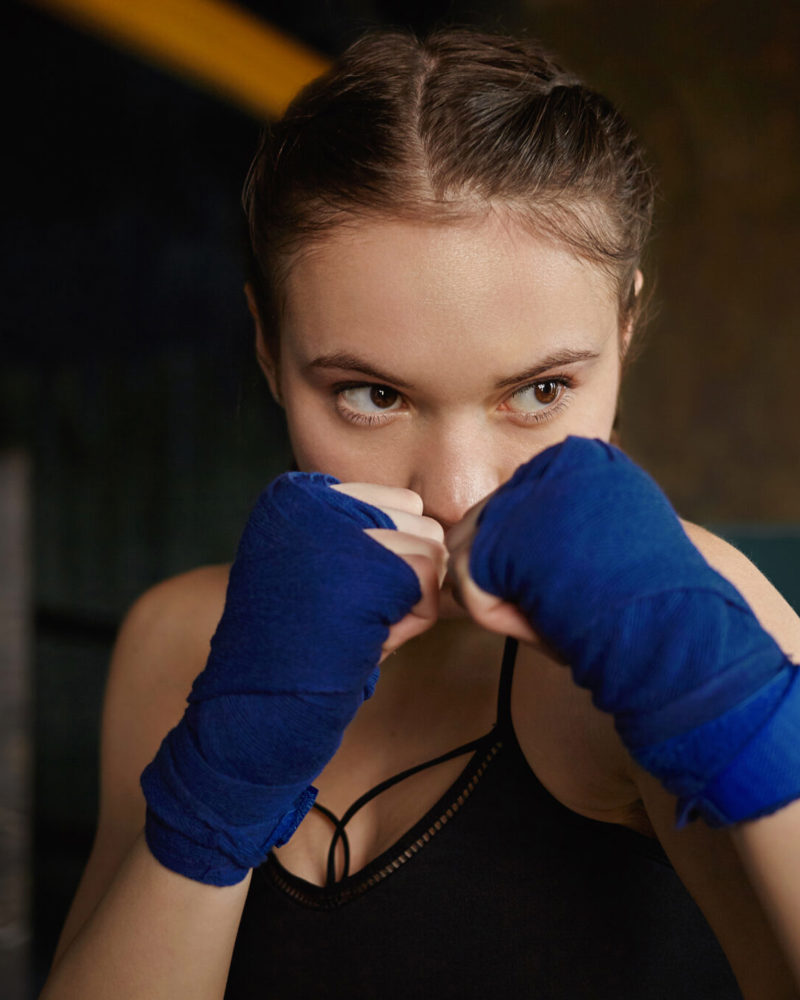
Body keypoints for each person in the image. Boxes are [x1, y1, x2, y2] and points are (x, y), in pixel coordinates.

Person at [40, 27, 800, 1000]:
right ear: (268, 348)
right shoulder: (173, 637)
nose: (456, 492)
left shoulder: (697, 612)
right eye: (372, 395)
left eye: (537, 391)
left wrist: (737, 720)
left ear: (622, 330)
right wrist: (216, 788)